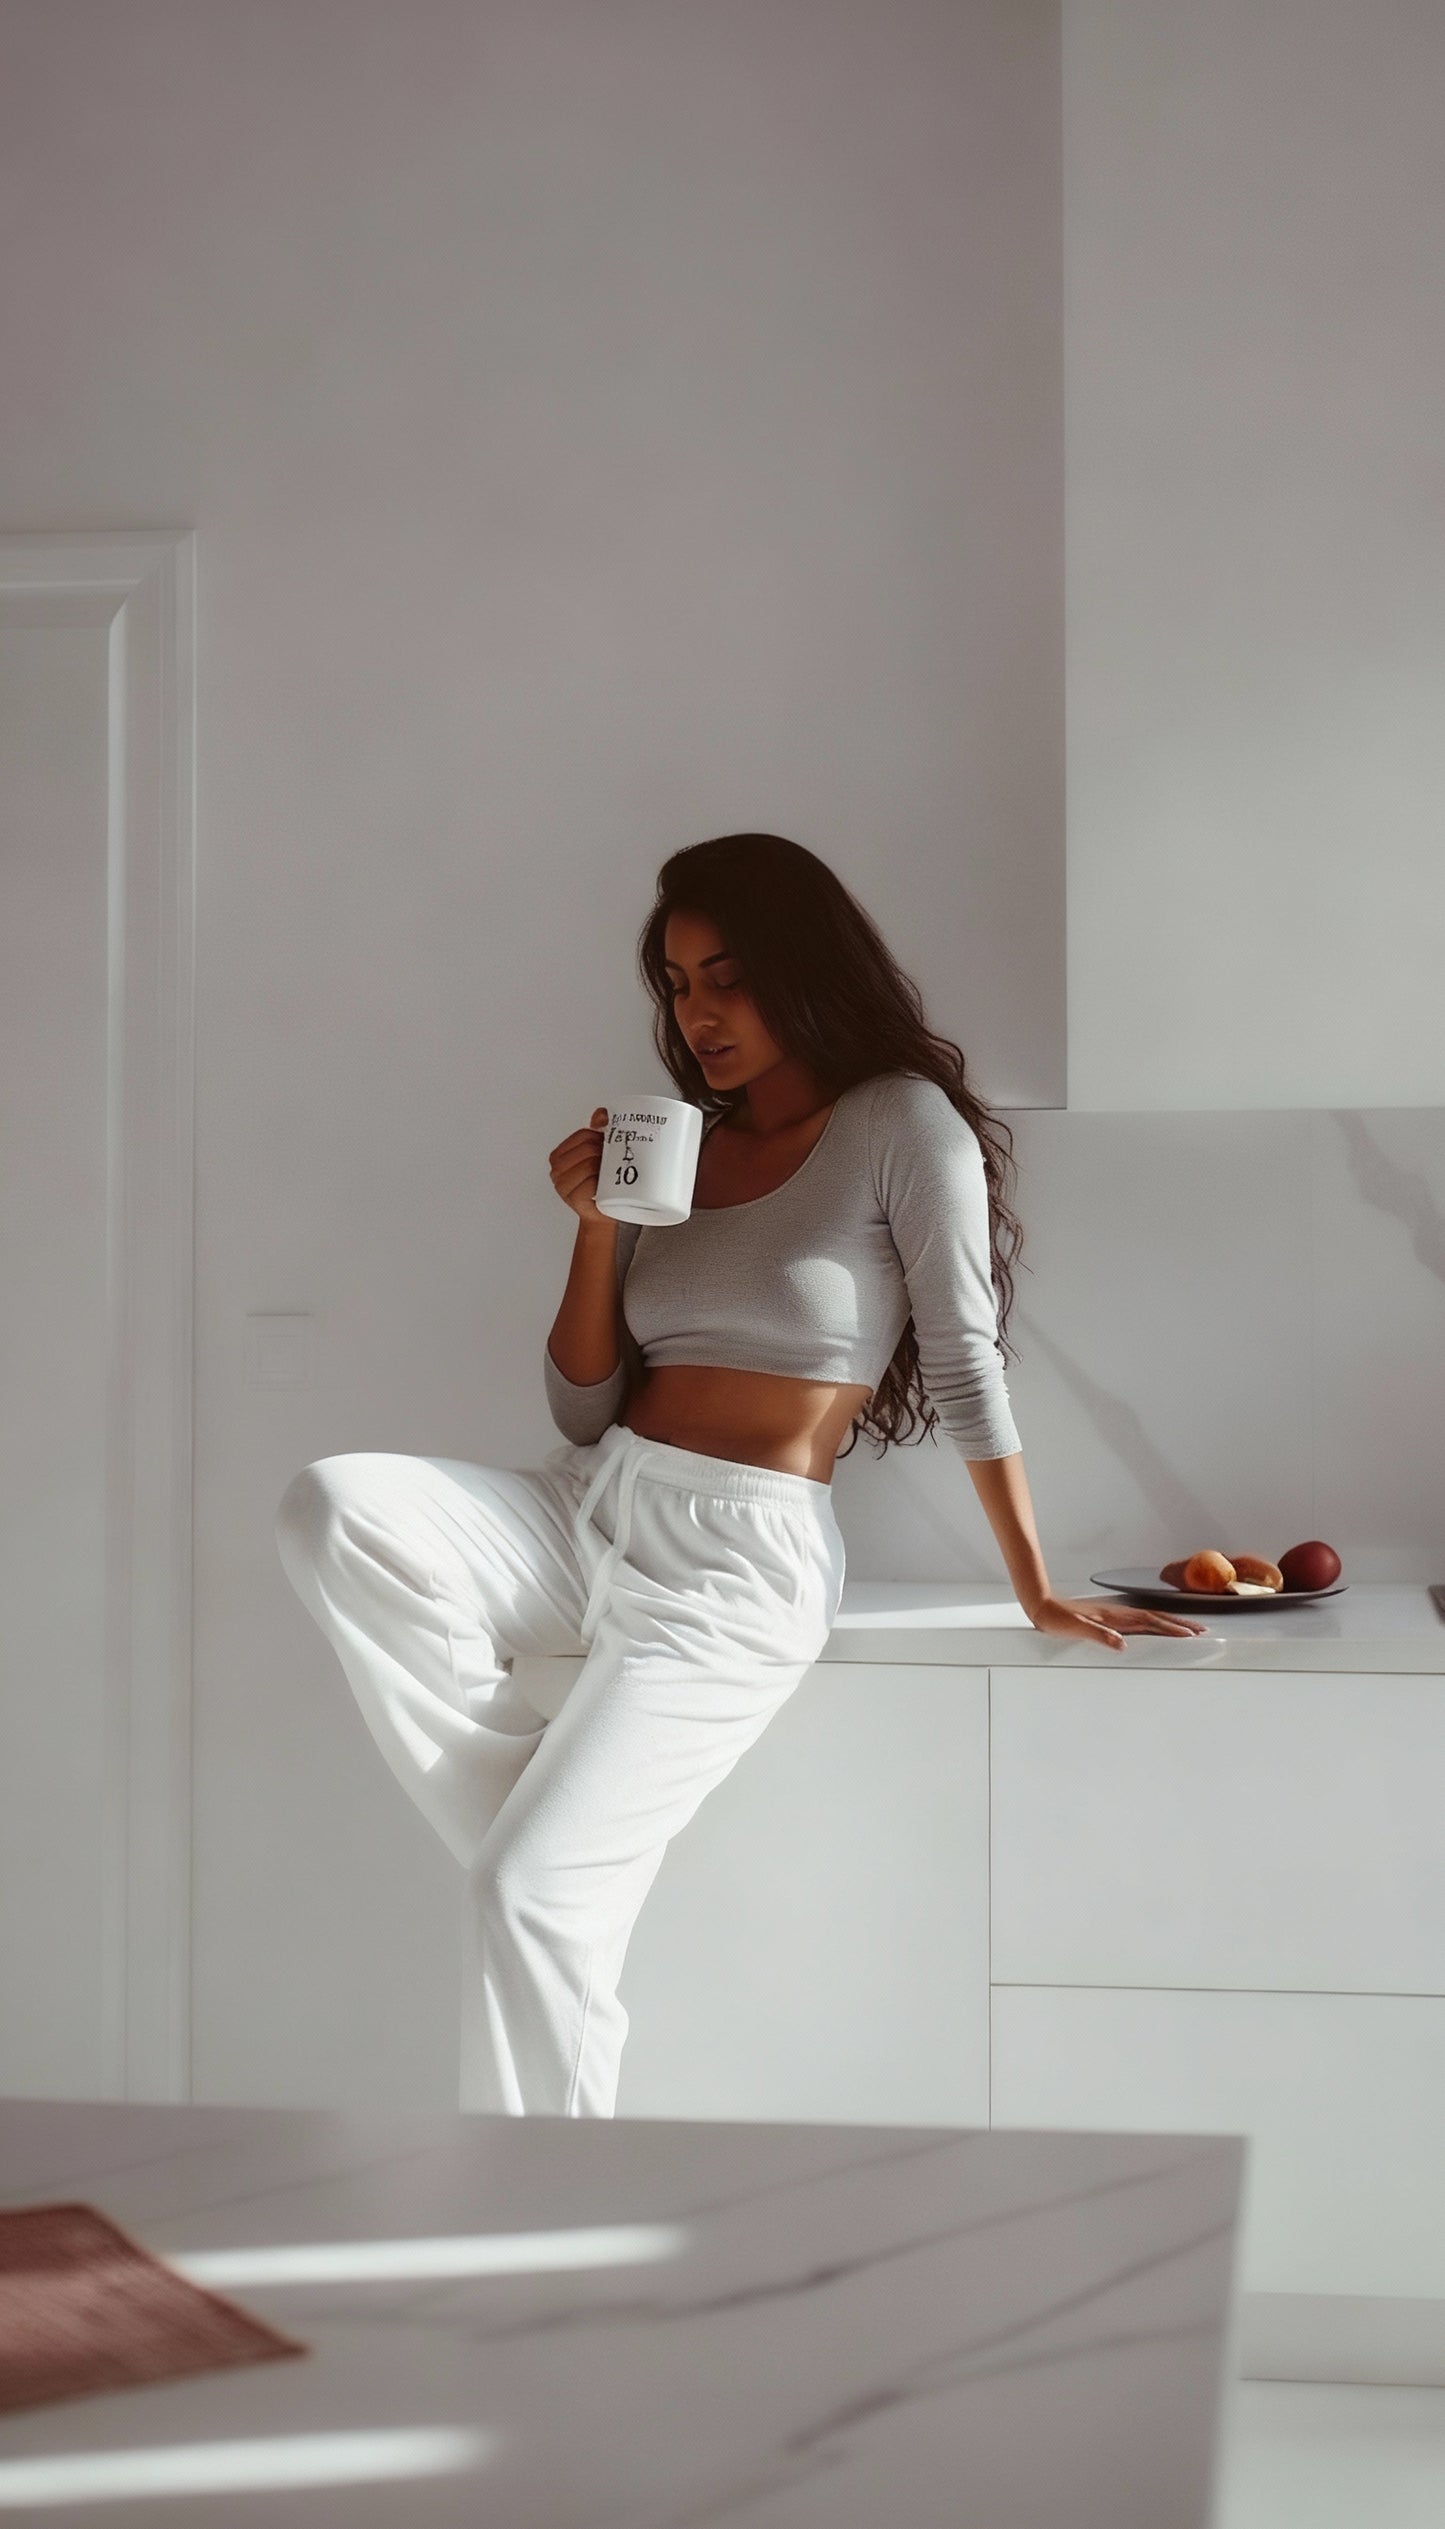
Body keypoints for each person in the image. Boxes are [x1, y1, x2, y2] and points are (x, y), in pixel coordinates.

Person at [275, 832, 1206, 2118]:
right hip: (590, 1506)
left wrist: (1035, 1583)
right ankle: (540, 1844)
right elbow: (583, 1405)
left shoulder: (896, 1122)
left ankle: (536, 2201)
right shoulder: (678, 1149)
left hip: (734, 1561)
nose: (696, 1013)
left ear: (803, 969)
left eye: (725, 977)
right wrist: (597, 1230)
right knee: (334, 1503)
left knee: (523, 1894)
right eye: (673, 985)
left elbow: (962, 1357)